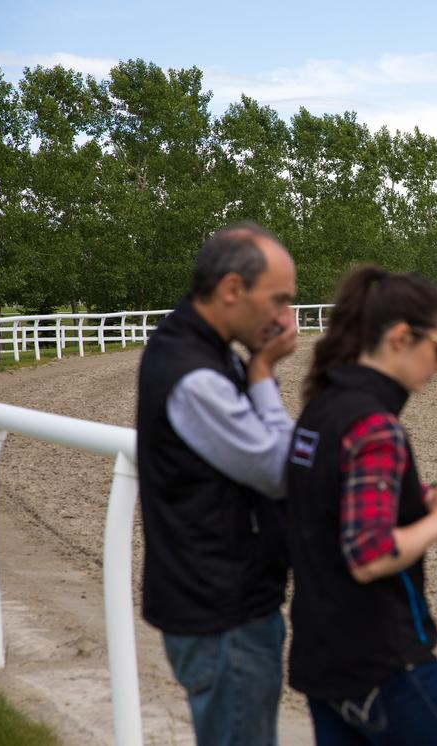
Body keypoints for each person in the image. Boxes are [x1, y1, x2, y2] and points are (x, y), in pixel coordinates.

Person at [286, 265, 437, 745]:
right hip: (386, 663)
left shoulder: (321, 407)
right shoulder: (375, 426)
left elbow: (355, 501)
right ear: (400, 338)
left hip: (320, 660)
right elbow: (370, 552)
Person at [136, 222, 299, 746]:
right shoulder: (197, 372)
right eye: (278, 301)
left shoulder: (191, 346)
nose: (283, 318)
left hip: (213, 601)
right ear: (232, 289)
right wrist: (264, 374)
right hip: (225, 614)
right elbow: (281, 470)